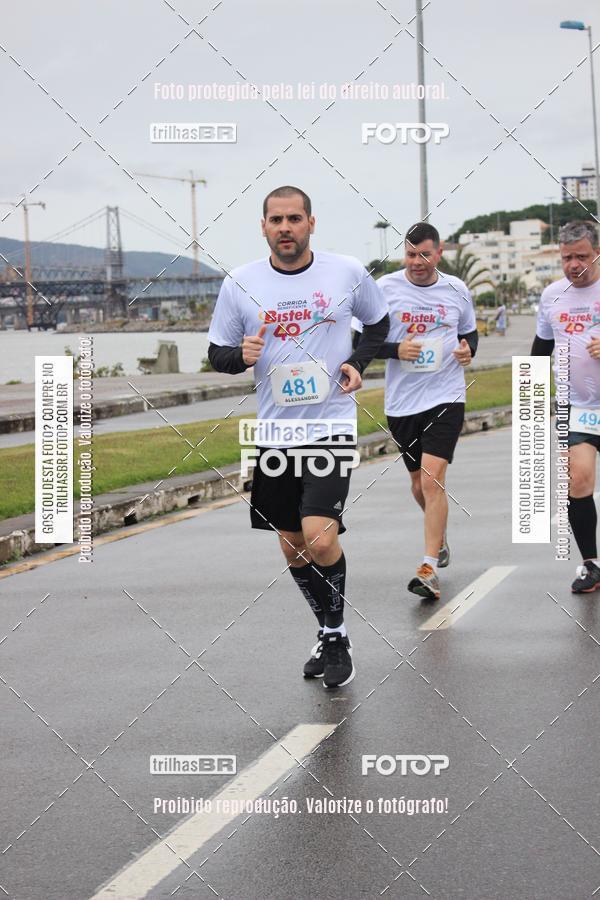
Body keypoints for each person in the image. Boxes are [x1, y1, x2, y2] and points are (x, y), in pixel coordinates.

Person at [208, 185, 389, 686]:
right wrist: (238, 356)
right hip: (273, 434)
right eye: (275, 220)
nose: (285, 227)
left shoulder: (347, 272)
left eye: (294, 218)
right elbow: (217, 354)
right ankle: (331, 630)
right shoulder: (240, 283)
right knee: (291, 545)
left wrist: (356, 362)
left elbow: (378, 325)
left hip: (330, 426)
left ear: (311, 223)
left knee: (318, 533)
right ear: (263, 227)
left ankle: (334, 637)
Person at [355, 222, 478, 601]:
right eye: (411, 255)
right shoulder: (385, 289)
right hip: (402, 402)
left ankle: (427, 568)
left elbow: (469, 333)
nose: (417, 262)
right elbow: (362, 340)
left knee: (431, 479)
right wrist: (396, 351)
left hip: (446, 395)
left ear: (438, 253)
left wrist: (467, 350)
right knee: (417, 485)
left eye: (425, 254)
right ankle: (437, 536)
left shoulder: (456, 289)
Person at [531, 220, 600, 593]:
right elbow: (541, 348)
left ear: (598, 253)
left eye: (582, 257)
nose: (574, 264)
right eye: (567, 258)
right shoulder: (552, 295)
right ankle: (591, 564)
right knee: (578, 479)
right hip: (578, 407)